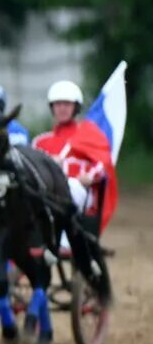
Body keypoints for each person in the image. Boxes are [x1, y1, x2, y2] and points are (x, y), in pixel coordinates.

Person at [34, 79, 119, 232]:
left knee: (73, 188)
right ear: (52, 107)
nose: (62, 109)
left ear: (76, 107)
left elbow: (103, 164)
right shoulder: (40, 142)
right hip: (45, 196)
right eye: (58, 104)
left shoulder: (90, 135)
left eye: (67, 104)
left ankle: (65, 235)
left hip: (81, 196)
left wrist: (90, 177)